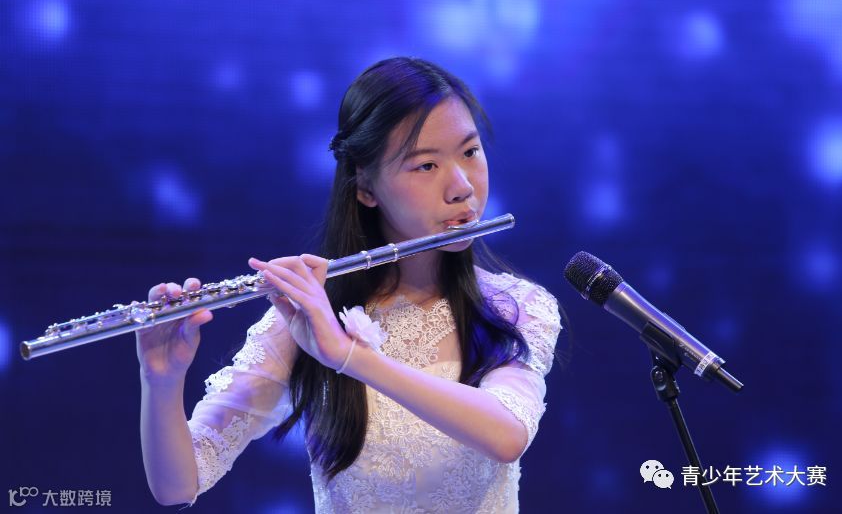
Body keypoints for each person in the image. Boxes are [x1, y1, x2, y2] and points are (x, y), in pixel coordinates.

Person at [136, 57, 563, 513]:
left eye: (470, 152)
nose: (461, 186)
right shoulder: (305, 320)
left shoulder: (518, 306)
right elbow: (178, 486)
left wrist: (348, 357)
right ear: (365, 187)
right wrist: (161, 381)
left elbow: (506, 436)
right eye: (426, 165)